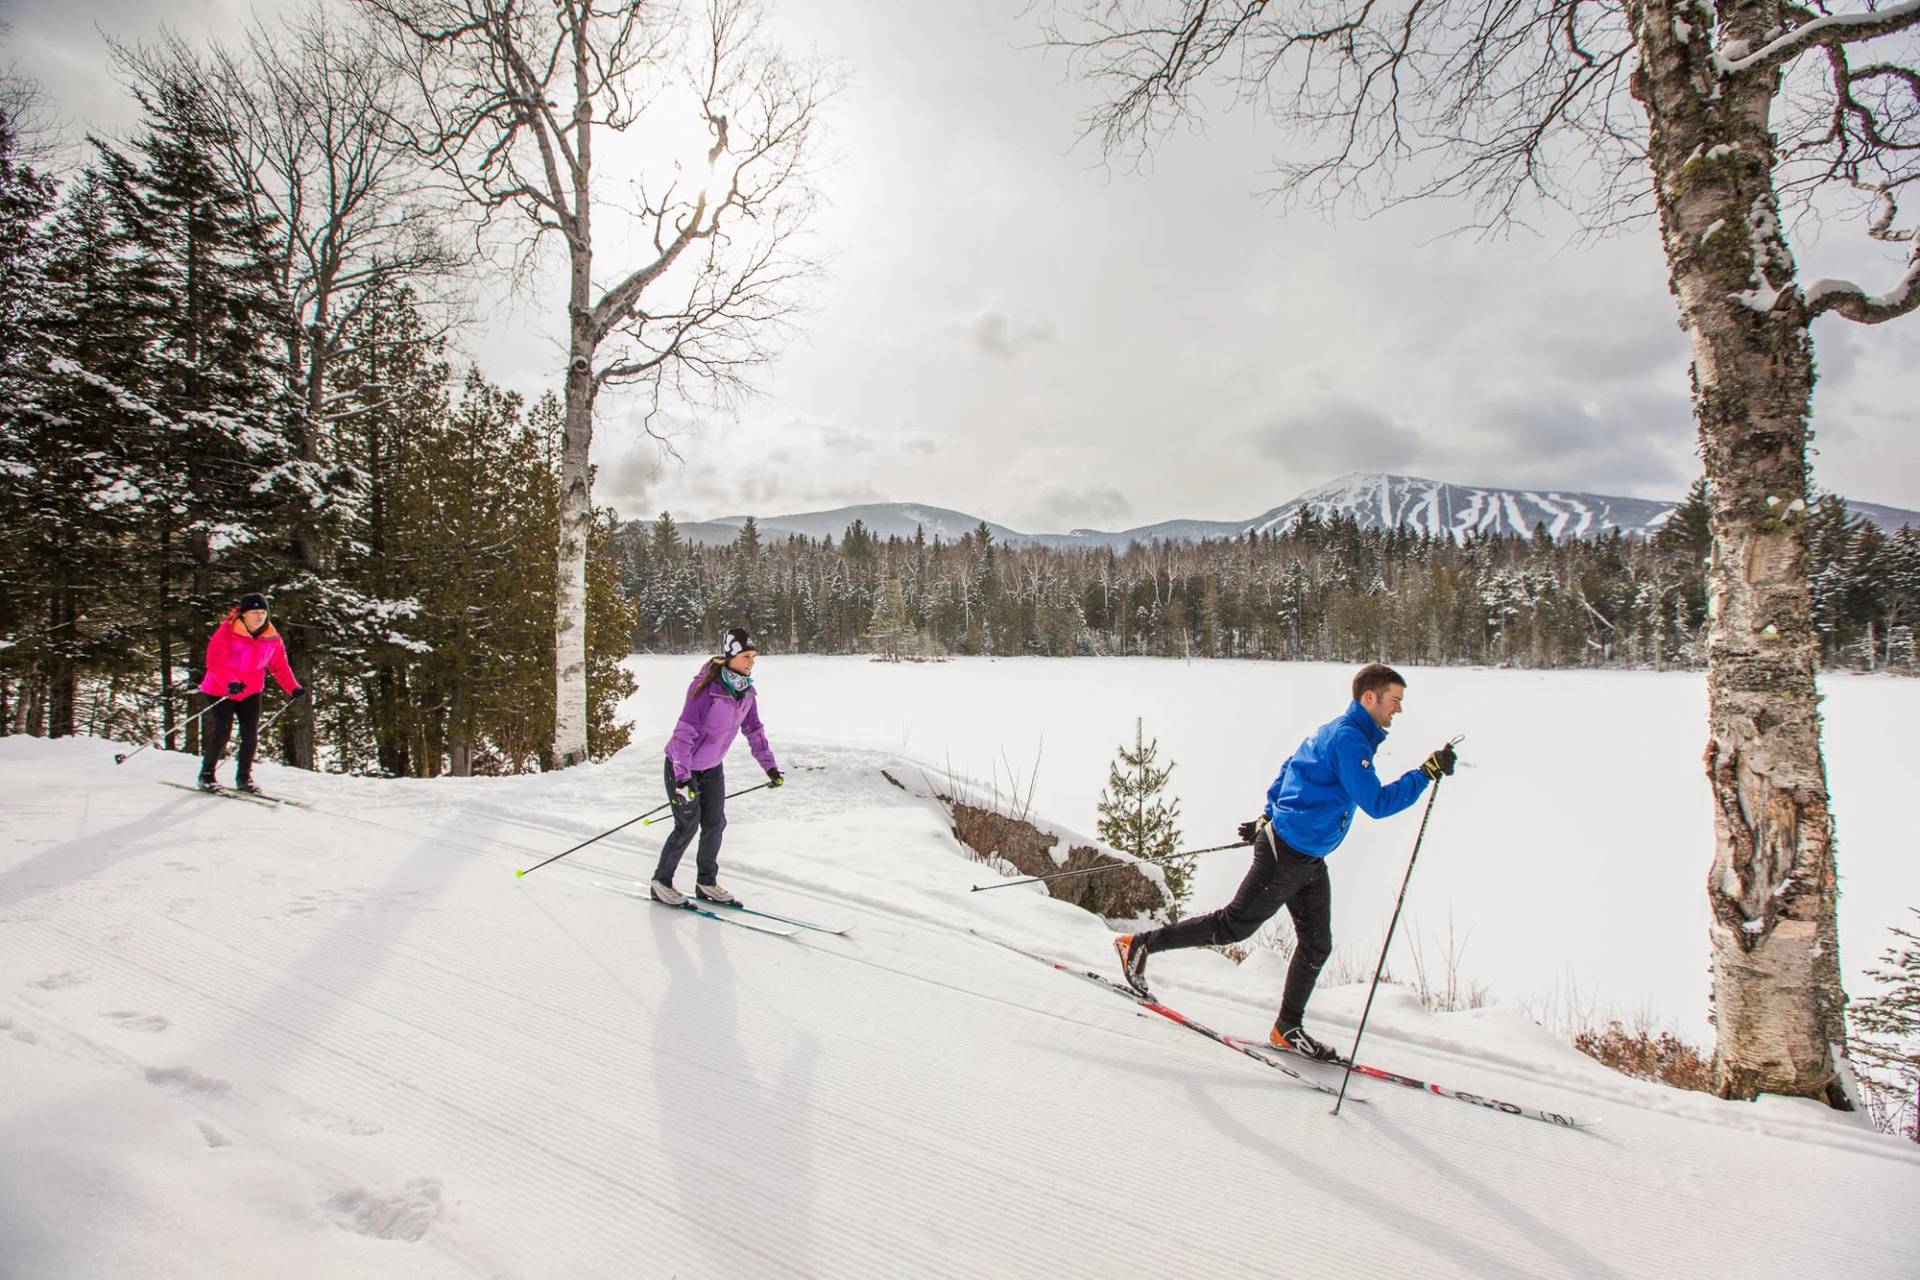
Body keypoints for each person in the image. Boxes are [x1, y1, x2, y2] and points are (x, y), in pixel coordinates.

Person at [1112, 663, 1456, 1062]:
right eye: (1394, 700)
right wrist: (1425, 773)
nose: (1398, 709)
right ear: (1370, 698)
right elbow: (1377, 803)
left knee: (1317, 944)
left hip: (1307, 856)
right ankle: (1138, 945)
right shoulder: (1349, 739)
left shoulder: (1341, 731)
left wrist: (1268, 813)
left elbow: (1292, 766)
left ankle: (1287, 1028)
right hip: (1287, 853)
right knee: (1233, 926)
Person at [650, 627, 784, 907]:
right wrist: (682, 779)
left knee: (715, 823)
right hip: (682, 766)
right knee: (686, 826)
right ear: (730, 656)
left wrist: (769, 767)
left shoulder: (746, 692)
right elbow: (684, 734)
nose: (751, 662)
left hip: (712, 767)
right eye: (746, 656)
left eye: (754, 656)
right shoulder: (706, 689)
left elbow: (754, 730)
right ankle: (661, 882)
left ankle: (706, 882)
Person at [197, 592, 303, 793]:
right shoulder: (227, 632)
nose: (259, 616)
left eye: (263, 612)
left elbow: (279, 666)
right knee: (222, 732)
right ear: (243, 614)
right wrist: (230, 682)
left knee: (250, 735)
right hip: (221, 689)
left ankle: (244, 778)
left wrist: (293, 687)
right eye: (255, 612)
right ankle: (206, 775)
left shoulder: (271, 637)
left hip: (251, 690)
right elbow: (215, 662)